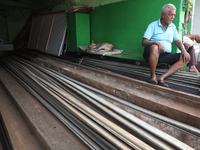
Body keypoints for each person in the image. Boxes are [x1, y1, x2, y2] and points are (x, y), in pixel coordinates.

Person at [142, 3, 190, 88]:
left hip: (165, 55)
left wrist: (184, 51)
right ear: (163, 15)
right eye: (170, 14)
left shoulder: (173, 27)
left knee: (186, 57)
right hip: (151, 53)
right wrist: (156, 43)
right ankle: (153, 77)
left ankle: (161, 78)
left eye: (174, 15)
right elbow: (144, 42)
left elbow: (178, 42)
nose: (172, 17)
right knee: (154, 48)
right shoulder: (153, 25)